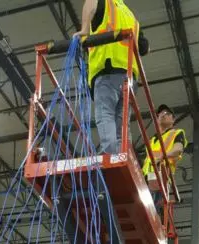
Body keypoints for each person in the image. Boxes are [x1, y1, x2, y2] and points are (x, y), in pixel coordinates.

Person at [74, 0, 149, 155]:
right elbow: (145, 48)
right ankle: (123, 157)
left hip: (107, 68)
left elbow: (91, 3)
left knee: (105, 114)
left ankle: (111, 157)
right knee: (122, 123)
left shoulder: (106, 3)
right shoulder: (131, 16)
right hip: (128, 77)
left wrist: (85, 30)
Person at [142, 104, 188, 215]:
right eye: (160, 114)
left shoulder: (176, 133)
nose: (163, 115)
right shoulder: (151, 140)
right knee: (145, 212)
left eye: (167, 113)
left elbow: (178, 149)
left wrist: (162, 157)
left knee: (153, 214)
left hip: (162, 178)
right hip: (146, 181)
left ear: (173, 119)